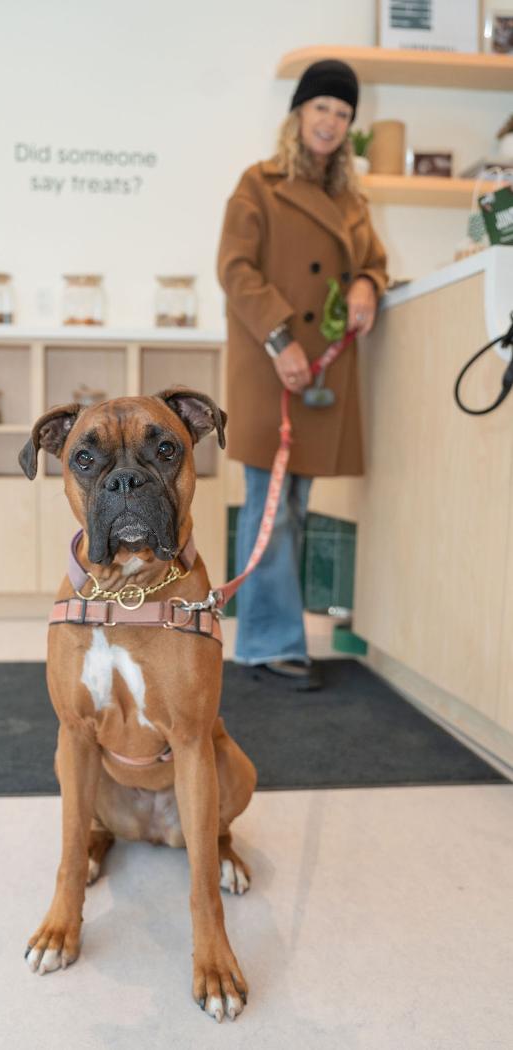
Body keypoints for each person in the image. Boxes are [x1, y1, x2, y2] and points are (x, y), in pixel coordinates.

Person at [217, 59, 388, 691]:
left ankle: (267, 638)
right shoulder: (259, 184)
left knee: (294, 504)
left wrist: (368, 283)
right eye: (322, 108)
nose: (331, 122)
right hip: (273, 365)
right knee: (273, 505)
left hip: (321, 373)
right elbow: (235, 270)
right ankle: (269, 643)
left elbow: (374, 261)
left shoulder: (351, 200)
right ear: (298, 113)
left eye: (343, 113)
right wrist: (279, 337)